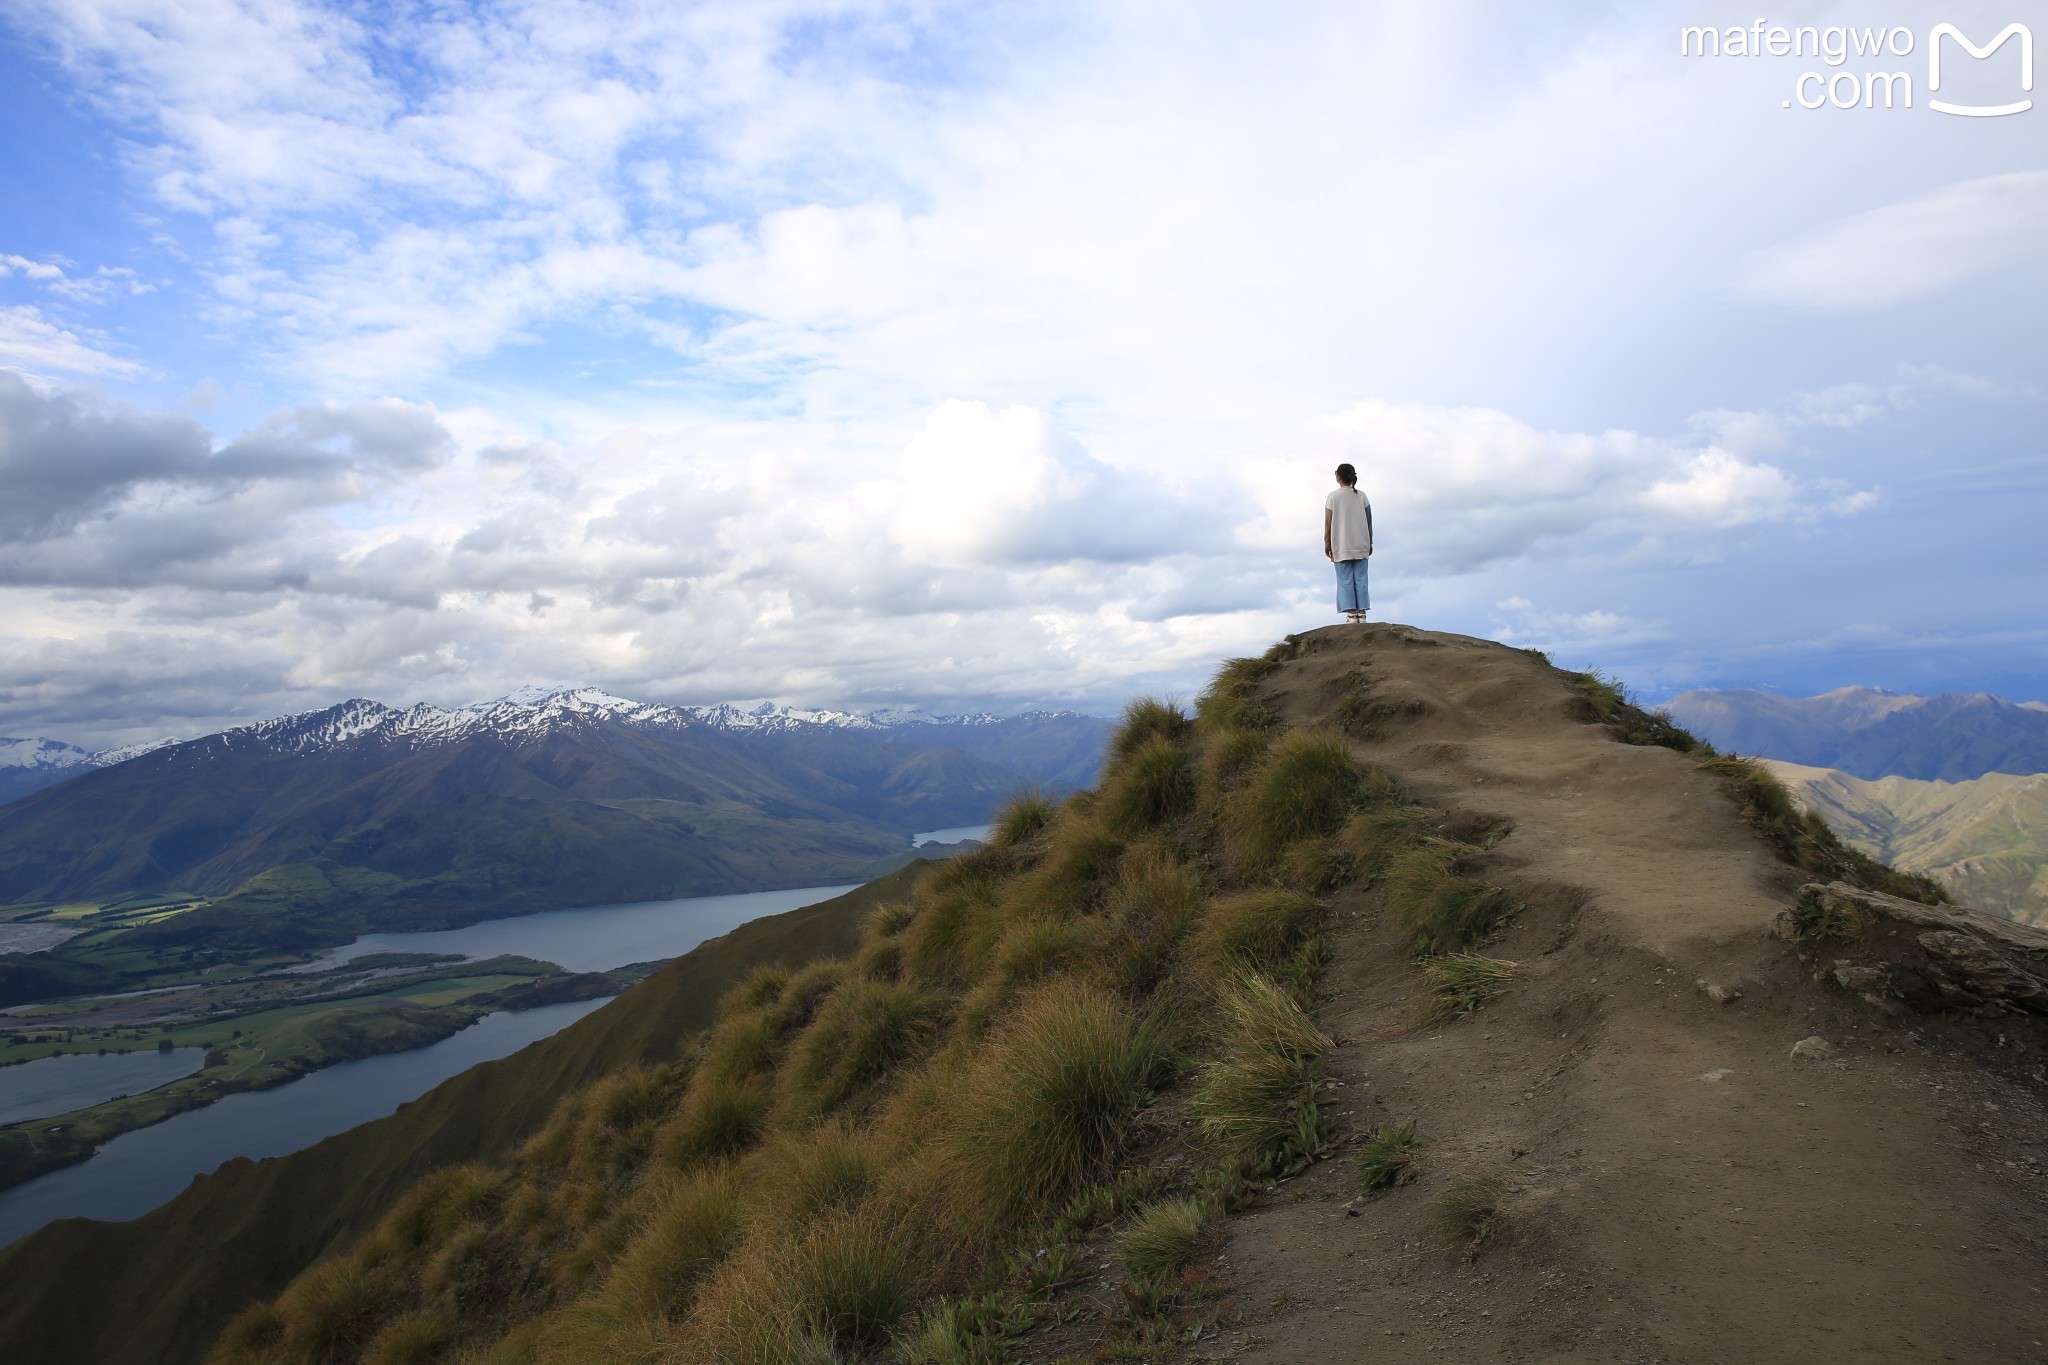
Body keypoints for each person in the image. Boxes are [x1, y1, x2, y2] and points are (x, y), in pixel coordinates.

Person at [1323, 463, 1373, 624]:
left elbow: (1328, 523)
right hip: (1361, 543)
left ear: (1338, 476)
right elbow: (1369, 521)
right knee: (1361, 579)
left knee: (1345, 580)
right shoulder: (1362, 496)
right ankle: (1362, 614)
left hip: (1341, 544)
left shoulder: (1333, 497)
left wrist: (1327, 543)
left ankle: (1351, 614)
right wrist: (1370, 542)